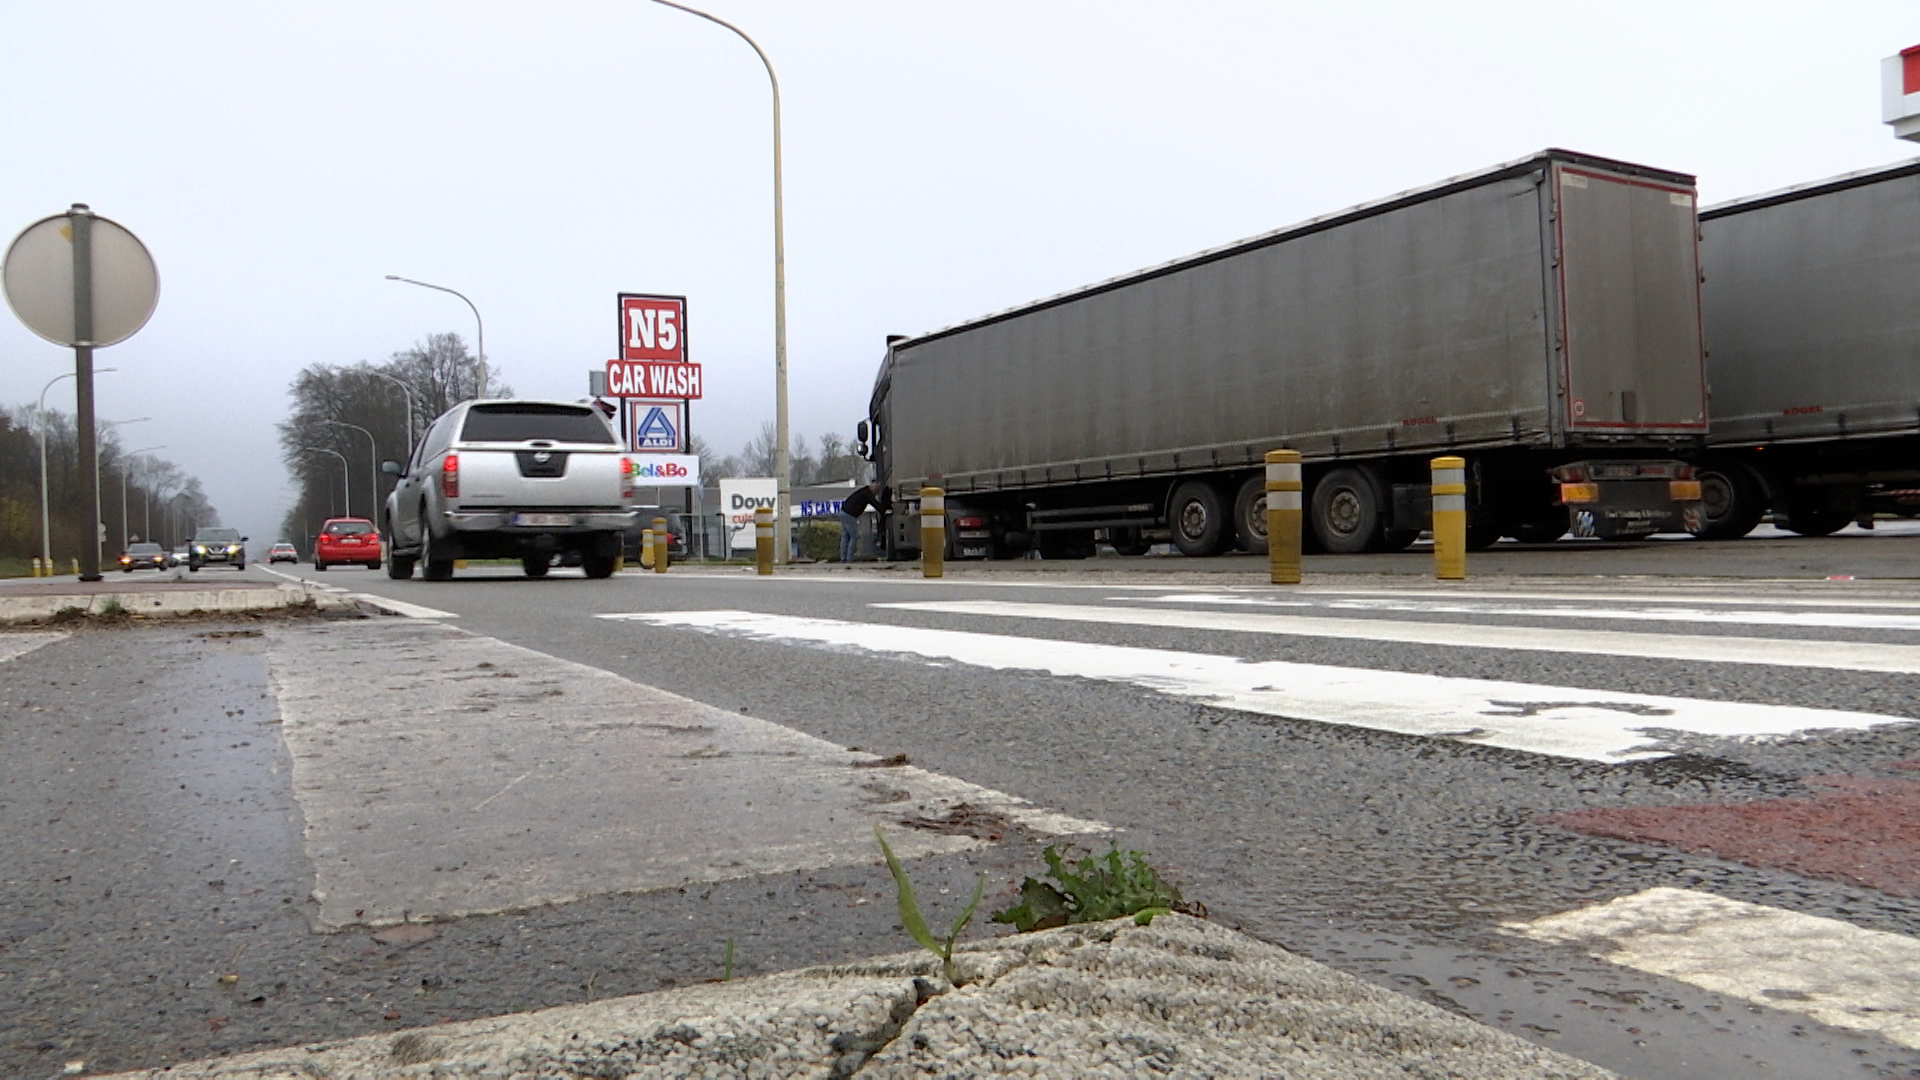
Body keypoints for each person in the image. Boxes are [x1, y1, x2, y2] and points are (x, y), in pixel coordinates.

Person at [838, 482, 875, 562]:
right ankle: (849, 557)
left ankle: (843, 557)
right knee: (854, 536)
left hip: (843, 511)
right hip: (850, 514)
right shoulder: (867, 494)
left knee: (845, 536)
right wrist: (883, 510)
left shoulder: (862, 491)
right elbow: (875, 504)